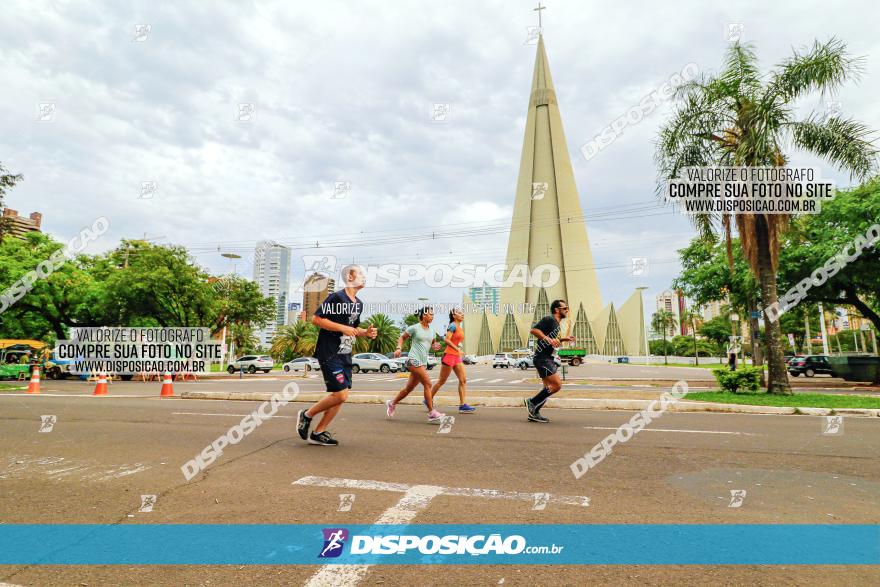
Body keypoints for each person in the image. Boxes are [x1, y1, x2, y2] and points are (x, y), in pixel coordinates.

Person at [296, 265, 377, 446]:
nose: (364, 277)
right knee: (340, 395)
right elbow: (317, 319)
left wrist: (366, 333)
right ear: (349, 277)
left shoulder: (358, 303)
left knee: (341, 395)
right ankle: (307, 414)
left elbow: (352, 329)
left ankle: (319, 432)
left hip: (345, 353)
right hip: (329, 351)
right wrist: (343, 328)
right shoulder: (337, 298)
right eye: (361, 274)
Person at [385, 306, 444, 423]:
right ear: (423, 315)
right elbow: (402, 338)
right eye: (430, 314)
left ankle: (392, 403)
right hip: (412, 360)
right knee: (428, 383)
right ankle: (432, 412)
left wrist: (435, 346)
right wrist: (398, 348)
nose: (432, 316)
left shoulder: (432, 330)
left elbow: (432, 344)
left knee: (409, 389)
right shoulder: (414, 328)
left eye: (433, 314)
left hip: (422, 362)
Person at [523, 299, 576, 423]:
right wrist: (548, 339)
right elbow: (534, 330)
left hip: (547, 358)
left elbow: (553, 340)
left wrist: (563, 339)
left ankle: (534, 413)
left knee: (547, 388)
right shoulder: (549, 319)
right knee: (556, 385)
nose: (567, 310)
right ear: (557, 310)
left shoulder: (556, 324)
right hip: (542, 358)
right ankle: (532, 402)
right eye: (565, 308)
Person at [427, 307, 475, 414]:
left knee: (463, 380)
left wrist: (458, 349)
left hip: (456, 357)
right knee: (441, 381)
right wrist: (457, 348)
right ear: (454, 316)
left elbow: (455, 340)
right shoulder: (452, 325)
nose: (462, 314)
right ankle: (428, 399)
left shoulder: (459, 327)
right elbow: (446, 339)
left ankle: (462, 405)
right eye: (459, 313)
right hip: (449, 355)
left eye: (462, 313)